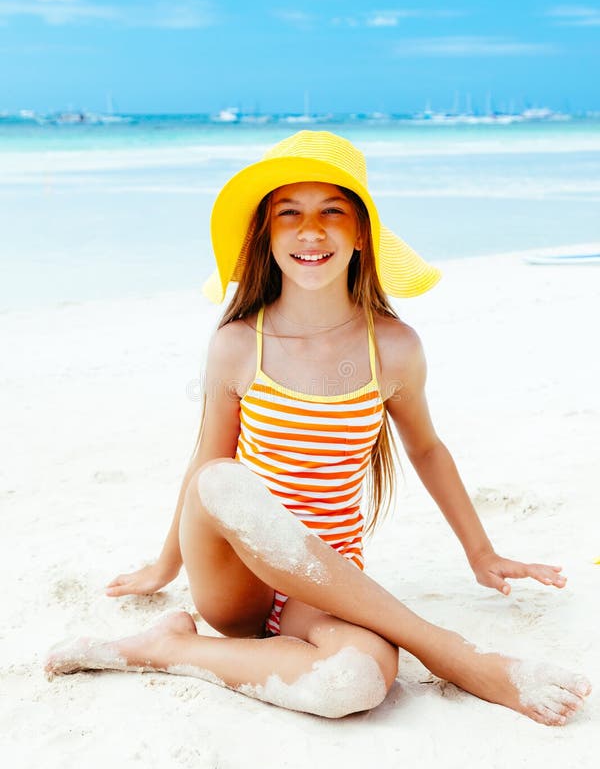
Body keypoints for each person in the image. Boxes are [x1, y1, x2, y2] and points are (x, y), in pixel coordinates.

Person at [45, 131, 591, 723]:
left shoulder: (394, 350)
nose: (311, 230)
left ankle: (170, 647)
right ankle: (452, 653)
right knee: (225, 480)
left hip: (329, 582)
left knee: (355, 684)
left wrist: (481, 554)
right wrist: (165, 565)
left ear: (361, 234)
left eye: (333, 211)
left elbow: (428, 449)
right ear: (268, 236)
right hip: (236, 579)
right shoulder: (237, 345)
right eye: (290, 214)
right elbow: (206, 462)